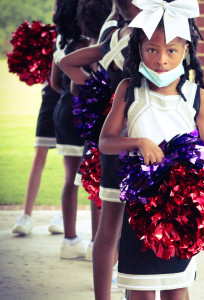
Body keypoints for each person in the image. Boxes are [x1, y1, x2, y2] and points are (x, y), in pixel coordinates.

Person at [98, 0, 204, 299]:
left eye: (171, 51)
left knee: (177, 289)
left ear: (186, 52)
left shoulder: (198, 97)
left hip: (180, 214)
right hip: (138, 209)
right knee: (139, 290)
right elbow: (106, 142)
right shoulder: (128, 90)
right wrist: (139, 142)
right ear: (138, 49)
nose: (161, 60)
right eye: (152, 49)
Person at [58, 0, 140, 291]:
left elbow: (66, 64)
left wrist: (100, 94)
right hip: (139, 145)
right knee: (137, 229)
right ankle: (135, 288)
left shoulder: (113, 39)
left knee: (108, 231)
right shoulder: (147, 36)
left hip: (113, 143)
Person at [12, 1, 64, 237]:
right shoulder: (49, 37)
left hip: (69, 103)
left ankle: (63, 216)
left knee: (69, 161)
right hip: (50, 99)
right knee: (39, 156)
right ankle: (27, 215)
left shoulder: (80, 36)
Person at [74, 0, 112, 262]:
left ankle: (92, 243)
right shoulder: (114, 35)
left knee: (101, 198)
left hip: (103, 127)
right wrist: (98, 90)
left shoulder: (108, 32)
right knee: (108, 209)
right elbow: (67, 65)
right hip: (111, 129)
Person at [51, 0, 88, 259]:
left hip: (62, 111)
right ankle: (98, 243)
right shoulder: (88, 45)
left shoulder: (60, 42)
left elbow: (54, 82)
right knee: (97, 179)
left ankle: (70, 240)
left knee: (70, 180)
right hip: (81, 116)